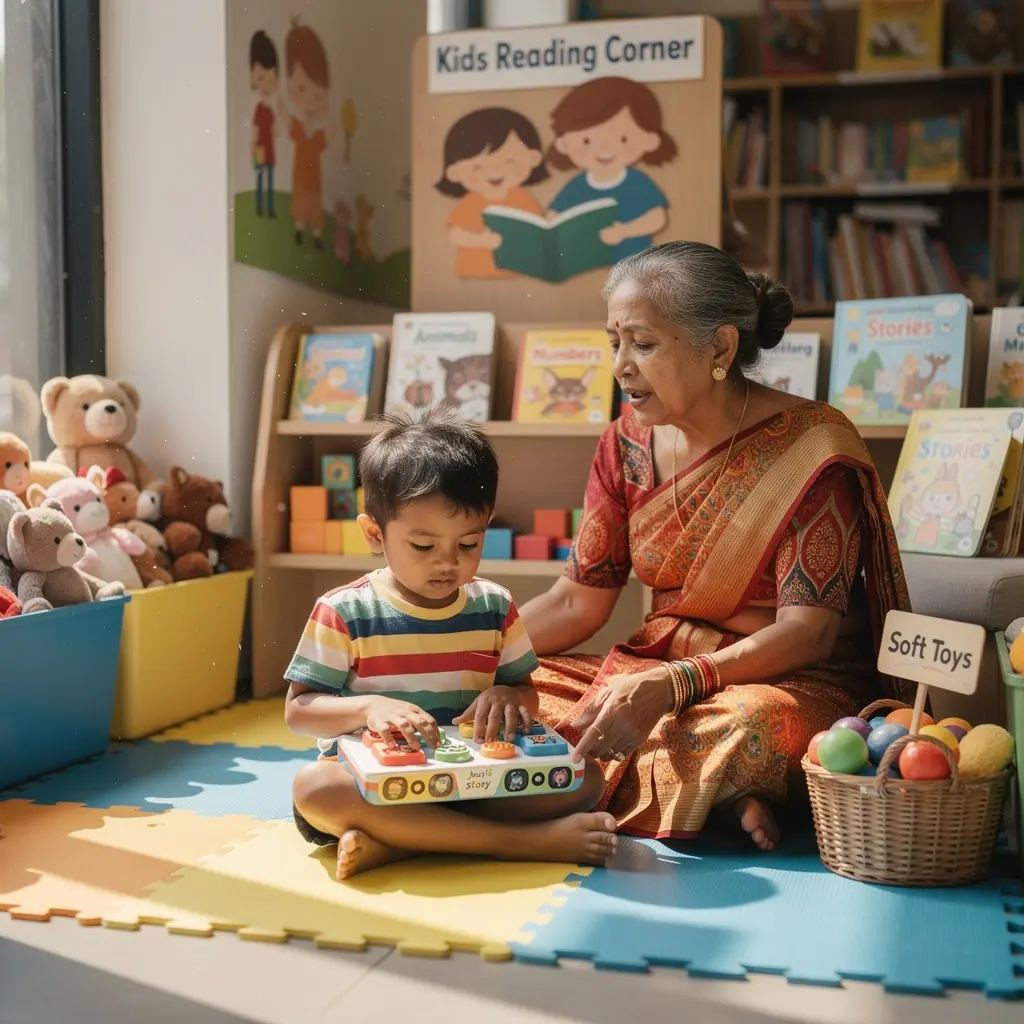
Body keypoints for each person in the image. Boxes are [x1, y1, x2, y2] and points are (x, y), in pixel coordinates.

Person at [522, 240, 913, 851]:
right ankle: (717, 802)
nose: (622, 366)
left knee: (745, 725)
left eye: (644, 344)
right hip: (656, 667)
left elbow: (808, 633)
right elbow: (577, 602)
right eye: (614, 344)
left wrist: (674, 684)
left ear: (721, 348)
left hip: (791, 680)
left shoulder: (811, 449)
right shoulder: (623, 445)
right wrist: (471, 647)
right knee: (523, 693)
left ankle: (699, 791)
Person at [286, 409, 616, 880]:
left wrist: (510, 695)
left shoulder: (495, 607)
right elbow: (298, 710)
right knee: (314, 788)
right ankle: (515, 844)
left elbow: (524, 689)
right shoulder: (344, 611)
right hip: (378, 785)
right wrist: (368, 709)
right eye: (424, 547)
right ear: (375, 534)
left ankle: (403, 843)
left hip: (473, 781)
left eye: (468, 544)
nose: (447, 563)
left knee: (586, 779)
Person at [546, 77, 676, 261]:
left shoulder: (638, 183)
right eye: (587, 141)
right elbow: (555, 214)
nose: (604, 149)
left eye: (623, 139)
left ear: (650, 140)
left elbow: (657, 218)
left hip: (634, 268)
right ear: (562, 144)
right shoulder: (577, 186)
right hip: (588, 266)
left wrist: (624, 231)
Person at [435, 107, 550, 279]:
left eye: (509, 161)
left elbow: (537, 229)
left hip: (520, 273)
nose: (495, 171)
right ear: (455, 173)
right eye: (478, 167)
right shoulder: (471, 203)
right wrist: (482, 240)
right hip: (474, 273)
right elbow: (456, 235)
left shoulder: (523, 199)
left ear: (533, 158)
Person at [283, 18, 332, 248]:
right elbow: (288, 122)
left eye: (318, 95)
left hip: (315, 184)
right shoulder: (301, 130)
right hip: (301, 181)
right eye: (302, 89)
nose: (311, 102)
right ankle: (299, 232)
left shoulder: (316, 134)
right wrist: (281, 111)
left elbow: (328, 138)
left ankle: (316, 236)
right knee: (301, 208)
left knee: (315, 211)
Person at [248, 30, 280, 218]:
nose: (267, 85)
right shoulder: (259, 109)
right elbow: (254, 129)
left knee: (270, 180)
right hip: (260, 149)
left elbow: (275, 130)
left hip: (270, 149)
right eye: (261, 78)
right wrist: (252, 146)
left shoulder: (270, 110)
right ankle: (260, 206)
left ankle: (270, 207)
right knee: (261, 179)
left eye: (271, 78)